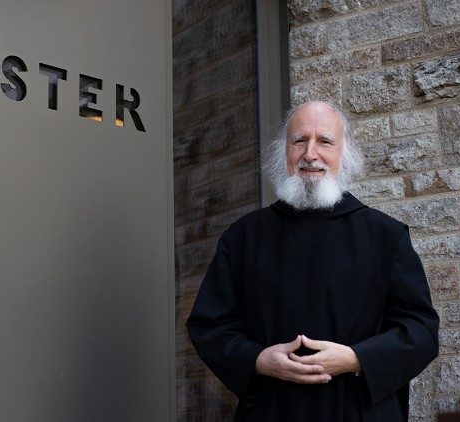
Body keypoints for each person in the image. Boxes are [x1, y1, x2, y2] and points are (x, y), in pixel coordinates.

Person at [186, 100, 439, 421]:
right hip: (273, 411)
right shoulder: (243, 237)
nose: (310, 154)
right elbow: (210, 327)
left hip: (357, 412)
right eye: (299, 140)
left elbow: (420, 331)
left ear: (345, 153)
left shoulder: (386, 236)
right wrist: (259, 360)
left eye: (325, 141)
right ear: (284, 152)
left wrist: (355, 358)